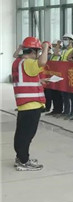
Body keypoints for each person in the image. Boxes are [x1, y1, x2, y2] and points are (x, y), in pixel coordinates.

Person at [12, 37, 49, 171]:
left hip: (24, 104)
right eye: (38, 52)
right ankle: (23, 161)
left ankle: (20, 157)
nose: (38, 55)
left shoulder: (18, 62)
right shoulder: (28, 63)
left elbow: (27, 77)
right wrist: (46, 47)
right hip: (31, 104)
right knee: (27, 135)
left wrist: (40, 82)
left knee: (21, 133)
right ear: (34, 51)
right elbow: (43, 62)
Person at [60, 33, 73, 119]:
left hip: (71, 75)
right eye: (64, 39)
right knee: (64, 94)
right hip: (63, 74)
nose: (65, 41)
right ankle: (66, 110)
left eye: (66, 39)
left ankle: (72, 112)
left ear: (71, 41)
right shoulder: (63, 51)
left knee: (72, 95)